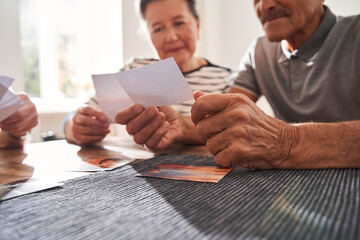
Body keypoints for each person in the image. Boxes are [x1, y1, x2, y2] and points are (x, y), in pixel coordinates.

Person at [191, 0, 360, 169]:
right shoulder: (259, 50)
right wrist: (176, 125)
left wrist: (287, 143)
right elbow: (223, 119)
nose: (264, 6)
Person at [65, 0, 232, 147]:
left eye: (179, 23)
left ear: (197, 25)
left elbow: (231, 133)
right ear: (148, 35)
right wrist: (75, 126)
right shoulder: (135, 69)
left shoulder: (227, 78)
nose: (171, 37)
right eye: (158, 29)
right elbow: (81, 113)